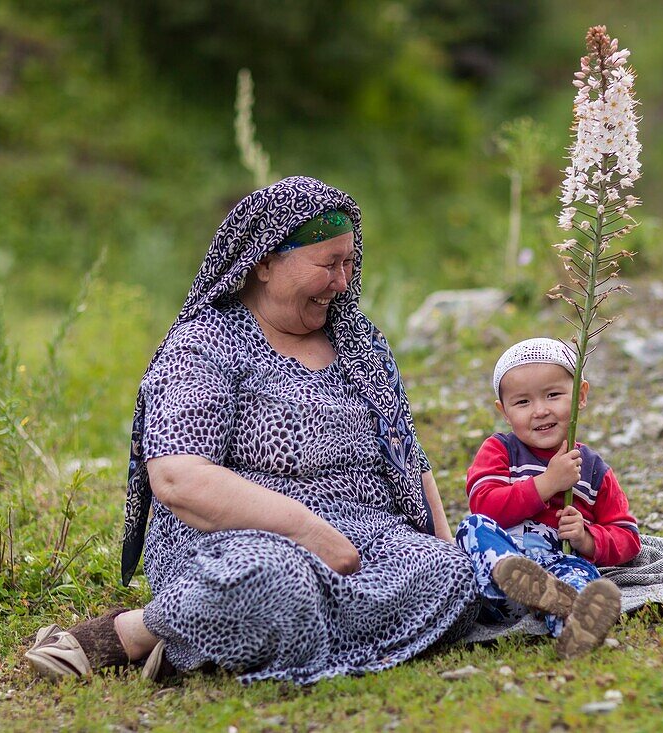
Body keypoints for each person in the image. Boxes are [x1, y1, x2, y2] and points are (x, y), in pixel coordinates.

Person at [25, 176, 478, 684]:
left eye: (350, 263)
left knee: (449, 573)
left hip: (365, 540)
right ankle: (130, 633)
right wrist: (311, 533)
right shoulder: (205, 344)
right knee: (276, 583)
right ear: (263, 262)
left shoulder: (359, 343)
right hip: (237, 544)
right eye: (328, 264)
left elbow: (407, 456)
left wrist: (444, 548)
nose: (343, 282)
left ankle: (213, 645)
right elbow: (179, 479)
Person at [455, 337, 640, 658]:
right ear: (504, 411)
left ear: (580, 395)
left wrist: (587, 538)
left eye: (553, 395)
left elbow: (627, 536)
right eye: (522, 402)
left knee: (582, 580)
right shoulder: (500, 450)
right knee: (473, 526)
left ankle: (574, 629)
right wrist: (548, 483)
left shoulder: (593, 469)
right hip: (498, 587)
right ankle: (525, 580)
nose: (540, 411)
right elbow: (485, 505)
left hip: (560, 568)